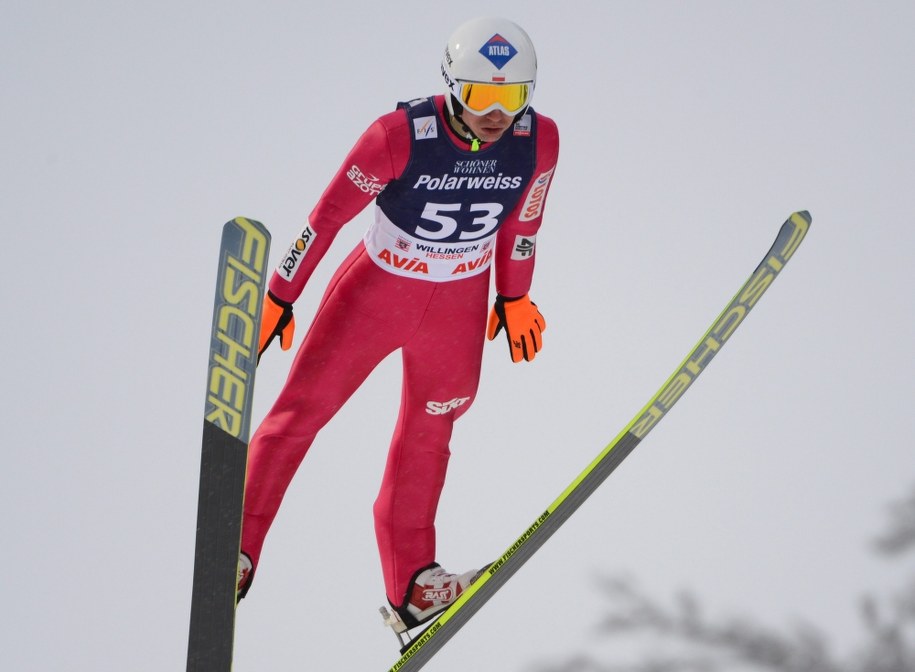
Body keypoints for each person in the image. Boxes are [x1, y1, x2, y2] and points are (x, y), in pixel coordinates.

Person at [236, 16, 559, 630]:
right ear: (451, 85)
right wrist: (280, 294)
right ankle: (240, 549)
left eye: (512, 97)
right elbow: (324, 220)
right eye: (481, 95)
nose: (496, 113)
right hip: (377, 293)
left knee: (430, 434)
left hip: (458, 307)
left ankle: (412, 584)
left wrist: (515, 298)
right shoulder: (397, 135)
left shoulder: (538, 142)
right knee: (302, 412)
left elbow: (523, 226)